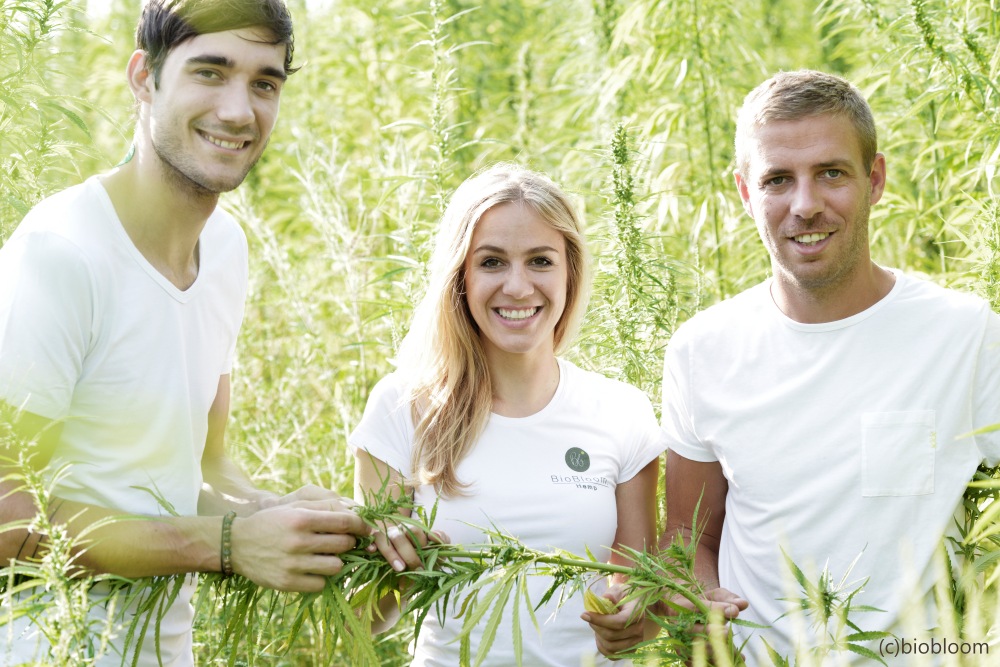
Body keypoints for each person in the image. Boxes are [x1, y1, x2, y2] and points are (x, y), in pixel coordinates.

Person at [587, 69, 1000, 665]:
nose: (806, 205)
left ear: (874, 179)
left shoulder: (965, 336)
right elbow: (690, 536)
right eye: (778, 179)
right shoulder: (704, 351)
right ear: (745, 192)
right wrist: (695, 596)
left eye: (831, 173)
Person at [0, 1, 369, 664]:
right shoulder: (62, 254)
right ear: (145, 77)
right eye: (210, 72)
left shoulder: (225, 249)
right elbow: (5, 513)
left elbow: (202, 466)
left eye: (264, 83)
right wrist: (224, 544)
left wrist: (276, 513)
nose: (238, 110)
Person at [350, 163, 665, 666]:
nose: (518, 288)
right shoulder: (402, 407)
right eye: (492, 263)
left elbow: (639, 595)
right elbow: (364, 618)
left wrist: (633, 618)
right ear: (460, 276)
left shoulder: (620, 411)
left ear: (570, 272)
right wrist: (394, 572)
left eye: (540, 261)